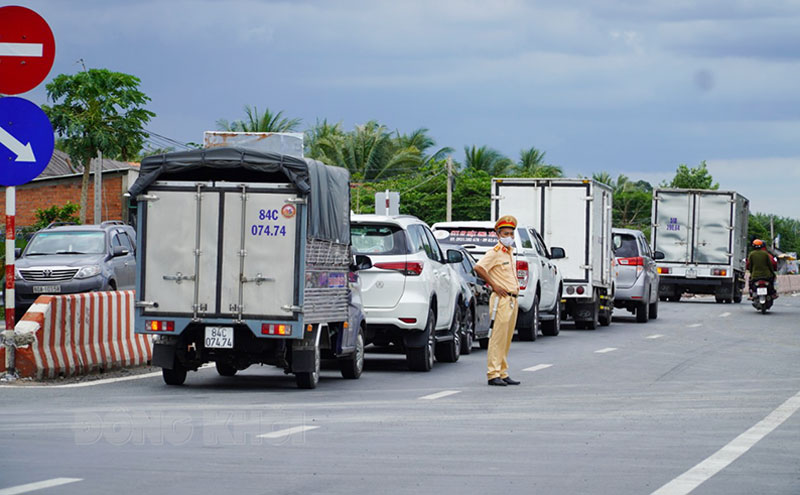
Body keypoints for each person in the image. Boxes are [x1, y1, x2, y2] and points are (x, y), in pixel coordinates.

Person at [474, 215, 521, 387]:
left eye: (511, 233)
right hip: (501, 298)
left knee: (507, 337)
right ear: (498, 234)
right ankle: (493, 373)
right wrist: (494, 285)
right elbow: (479, 267)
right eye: (506, 233)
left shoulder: (509, 253)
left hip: (512, 298)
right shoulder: (494, 253)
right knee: (497, 337)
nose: (509, 237)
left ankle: (502, 371)